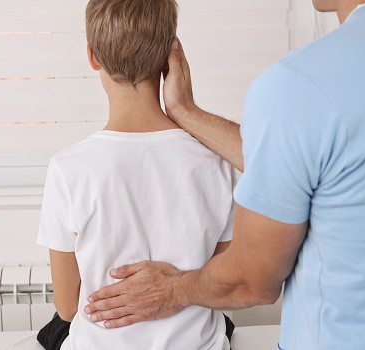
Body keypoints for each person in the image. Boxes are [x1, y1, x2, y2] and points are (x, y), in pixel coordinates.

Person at [84, 1, 365, 349]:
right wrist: (185, 111)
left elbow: (252, 281)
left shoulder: (303, 85)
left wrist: (171, 290)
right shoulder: (310, 97)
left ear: (93, 56)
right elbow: (320, 162)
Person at [36, 0, 237, 349]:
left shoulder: (68, 168)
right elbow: (218, 283)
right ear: (169, 56)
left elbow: (68, 308)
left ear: (92, 55)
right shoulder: (218, 160)